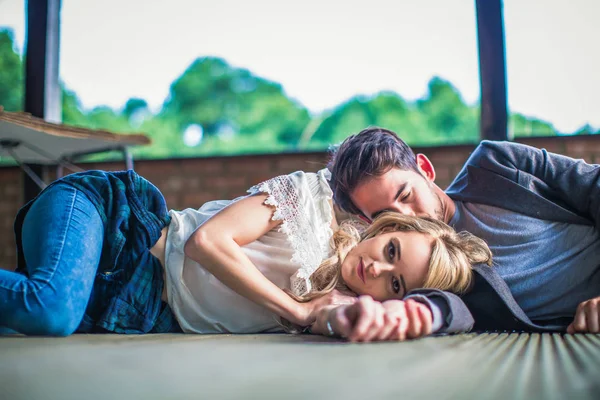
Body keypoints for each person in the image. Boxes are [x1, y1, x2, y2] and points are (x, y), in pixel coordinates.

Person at [0, 168, 491, 341]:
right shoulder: (310, 199)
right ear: (385, 227)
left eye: (395, 283)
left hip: (133, 305)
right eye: (390, 250)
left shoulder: (340, 302)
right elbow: (205, 244)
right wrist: (297, 310)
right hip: (116, 227)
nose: (377, 269)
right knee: (49, 309)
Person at [328, 126, 600, 334]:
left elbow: (593, 184)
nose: (406, 216)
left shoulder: (496, 163)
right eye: (385, 214)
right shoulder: (414, 274)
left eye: (406, 195)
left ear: (425, 169)